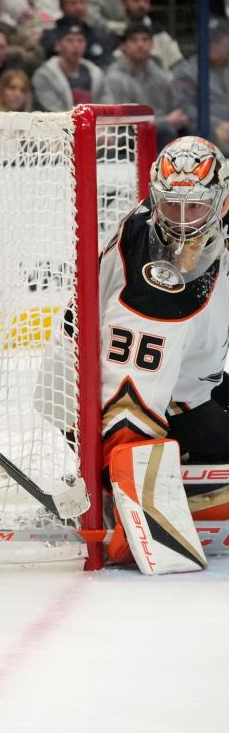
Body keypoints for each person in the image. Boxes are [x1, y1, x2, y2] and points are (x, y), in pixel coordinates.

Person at [96, 137, 229, 569]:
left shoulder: (210, 232)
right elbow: (127, 405)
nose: (184, 223)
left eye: (196, 208)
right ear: (156, 200)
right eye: (172, 207)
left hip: (186, 383)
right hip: (115, 405)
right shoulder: (155, 277)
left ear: (222, 204)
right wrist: (135, 513)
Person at [105, 22, 187, 146]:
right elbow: (122, 125)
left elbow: (174, 108)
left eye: (145, 39)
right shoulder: (114, 78)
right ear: (124, 46)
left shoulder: (161, 75)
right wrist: (165, 122)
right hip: (126, 144)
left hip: (160, 136)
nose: (140, 44)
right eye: (134, 40)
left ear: (152, 44)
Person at [31, 23, 114, 112]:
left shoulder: (96, 73)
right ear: (57, 46)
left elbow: (107, 104)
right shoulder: (44, 75)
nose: (76, 45)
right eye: (69, 40)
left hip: (96, 124)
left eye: (80, 40)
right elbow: (51, 108)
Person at [172, 18, 229, 140]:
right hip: (207, 131)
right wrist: (216, 125)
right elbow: (184, 108)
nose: (211, 45)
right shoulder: (186, 70)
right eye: (208, 40)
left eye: (218, 40)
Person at [120, 0, 182, 72]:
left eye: (145, 0)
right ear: (124, 3)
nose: (141, 5)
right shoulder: (115, 31)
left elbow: (178, 65)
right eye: (136, 0)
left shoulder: (160, 33)